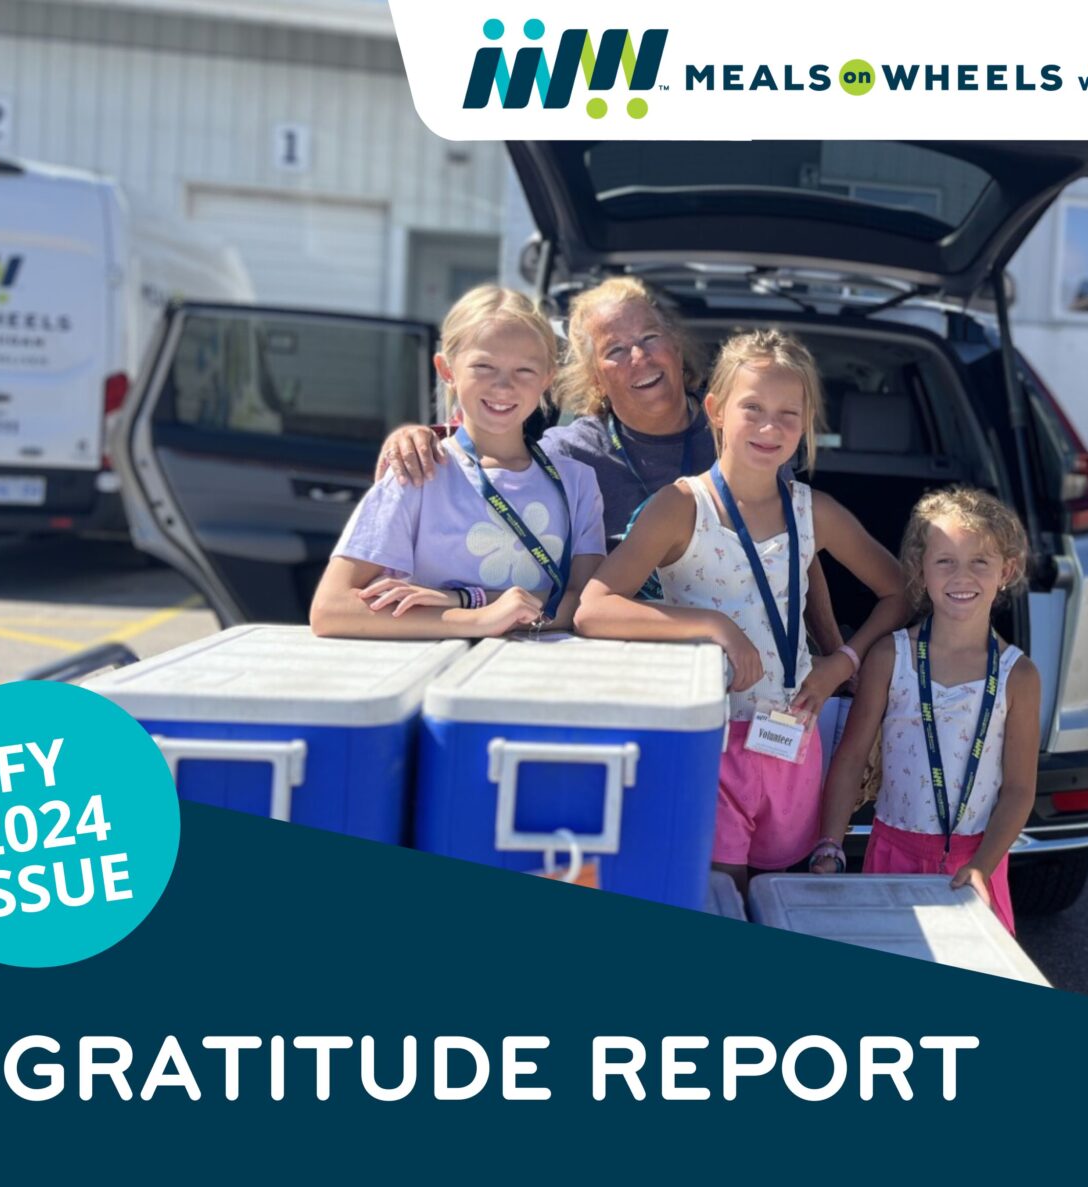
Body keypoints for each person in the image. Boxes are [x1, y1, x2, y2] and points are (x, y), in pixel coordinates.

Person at [574, 329, 909, 893]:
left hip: (791, 739)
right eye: (752, 408)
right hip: (706, 740)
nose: (770, 427)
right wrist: (714, 625)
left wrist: (843, 661)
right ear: (716, 410)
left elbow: (899, 592)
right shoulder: (681, 506)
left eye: (788, 413)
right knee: (718, 894)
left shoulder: (814, 511)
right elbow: (592, 609)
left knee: (778, 894)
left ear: (806, 424)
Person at [373, 276, 848, 659]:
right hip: (620, 659)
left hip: (757, 662)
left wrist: (833, 654)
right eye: (615, 350)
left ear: (677, 348)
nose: (639, 356)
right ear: (594, 375)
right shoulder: (571, 455)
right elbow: (496, 448)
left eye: (649, 338)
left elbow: (799, 556)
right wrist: (423, 437)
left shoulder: (745, 431)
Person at [310, 285, 605, 638]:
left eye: (524, 370)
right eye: (483, 366)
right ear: (447, 369)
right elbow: (331, 609)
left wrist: (463, 600)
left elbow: (589, 605)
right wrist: (480, 620)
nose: (503, 386)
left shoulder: (578, 483)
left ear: (547, 379)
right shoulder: (417, 470)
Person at [812, 488, 1042, 936]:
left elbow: (1018, 790)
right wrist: (829, 844)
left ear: (1006, 570)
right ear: (920, 570)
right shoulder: (889, 657)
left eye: (980, 561)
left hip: (977, 866)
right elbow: (852, 756)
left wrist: (981, 866)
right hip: (891, 855)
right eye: (945, 561)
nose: (962, 576)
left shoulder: (1020, 676)